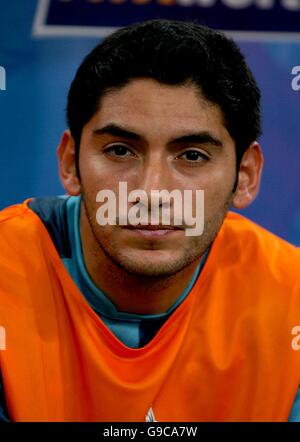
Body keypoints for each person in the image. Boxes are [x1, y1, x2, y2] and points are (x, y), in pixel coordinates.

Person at [0, 18, 300, 422]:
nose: (152, 191)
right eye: (121, 150)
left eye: (192, 156)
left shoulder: (292, 300)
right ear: (70, 163)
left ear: (244, 177)